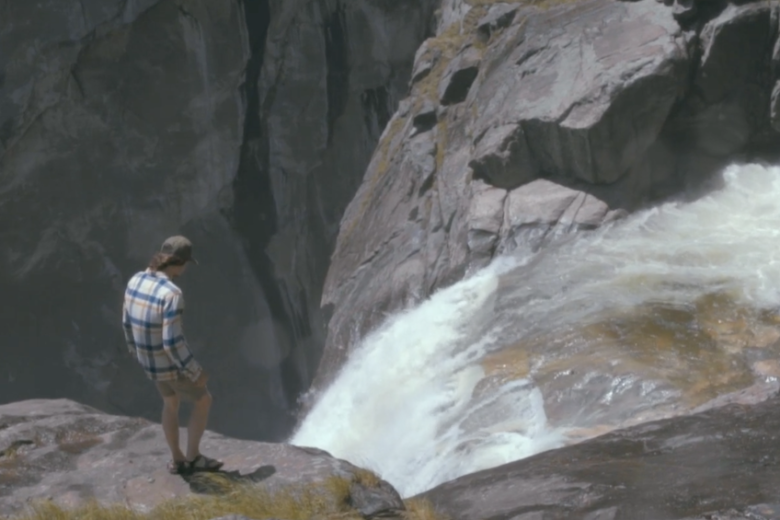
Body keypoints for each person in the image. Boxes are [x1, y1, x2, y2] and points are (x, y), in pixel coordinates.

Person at [122, 235, 223, 475]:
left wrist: (136, 352)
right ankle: (193, 458)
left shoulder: (136, 279)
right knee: (203, 400)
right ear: (179, 263)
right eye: (186, 264)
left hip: (149, 361)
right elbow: (172, 342)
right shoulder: (172, 294)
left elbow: (126, 321)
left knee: (170, 402)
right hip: (169, 364)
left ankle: (177, 459)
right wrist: (195, 372)